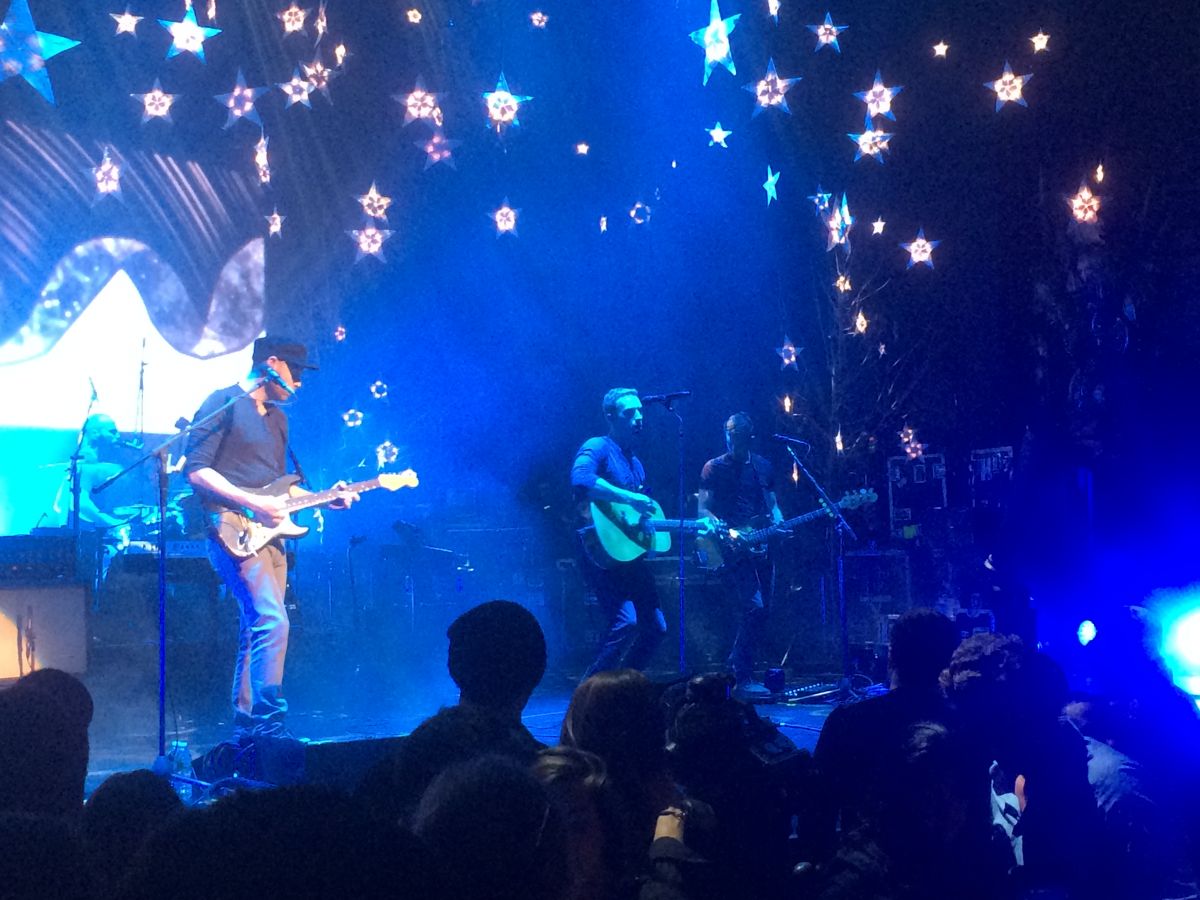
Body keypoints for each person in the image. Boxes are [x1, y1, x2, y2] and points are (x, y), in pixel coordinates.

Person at [185, 336, 357, 741]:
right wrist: (252, 503)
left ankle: (249, 726)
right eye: (294, 372)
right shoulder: (222, 402)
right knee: (271, 620)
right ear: (272, 363)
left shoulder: (279, 420)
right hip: (233, 528)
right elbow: (196, 471)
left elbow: (280, 489)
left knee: (257, 627)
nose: (299, 381)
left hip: (271, 536)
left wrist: (325, 498)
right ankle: (269, 722)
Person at [571, 388, 668, 677]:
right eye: (629, 412)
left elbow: (636, 513)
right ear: (611, 416)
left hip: (628, 554)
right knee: (626, 622)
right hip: (599, 551)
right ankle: (588, 691)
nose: (639, 417)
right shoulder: (598, 446)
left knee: (656, 627)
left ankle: (623, 686)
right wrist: (629, 497)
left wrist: (647, 531)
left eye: (640, 411)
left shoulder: (635, 463)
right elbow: (581, 478)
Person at [697, 413, 783, 697]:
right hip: (730, 548)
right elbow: (703, 510)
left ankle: (739, 669)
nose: (732, 440)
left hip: (760, 545)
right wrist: (728, 532)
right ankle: (741, 674)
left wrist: (779, 521)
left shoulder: (762, 466)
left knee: (763, 611)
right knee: (753, 607)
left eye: (738, 435)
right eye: (729, 434)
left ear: (749, 436)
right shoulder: (713, 467)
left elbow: (772, 505)